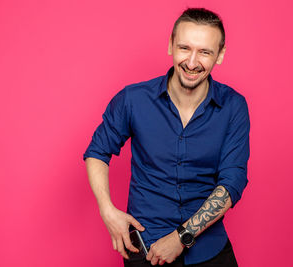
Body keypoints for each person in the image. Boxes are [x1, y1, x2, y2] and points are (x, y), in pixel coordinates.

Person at [84, 7, 250, 267]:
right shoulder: (133, 99)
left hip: (209, 249)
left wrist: (181, 237)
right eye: (184, 48)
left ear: (220, 55)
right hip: (146, 250)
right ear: (171, 45)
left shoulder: (233, 107)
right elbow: (97, 151)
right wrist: (107, 210)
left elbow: (233, 181)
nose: (192, 62)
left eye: (205, 51)